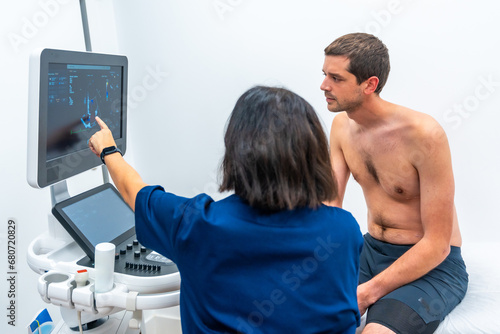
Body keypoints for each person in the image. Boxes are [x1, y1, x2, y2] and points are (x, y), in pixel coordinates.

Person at [89, 86, 364, 333]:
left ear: (237, 153)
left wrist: (108, 149)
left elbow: (133, 191)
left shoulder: (197, 224)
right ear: (312, 153)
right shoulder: (344, 230)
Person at [320, 32, 468, 334]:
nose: (324, 86)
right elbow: (328, 210)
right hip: (369, 251)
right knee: (300, 315)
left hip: (432, 266)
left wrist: (368, 292)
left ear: (369, 84)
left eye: (336, 78)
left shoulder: (425, 135)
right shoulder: (340, 127)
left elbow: (438, 245)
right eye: (324, 75)